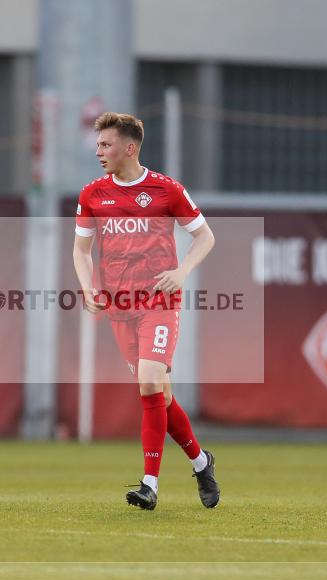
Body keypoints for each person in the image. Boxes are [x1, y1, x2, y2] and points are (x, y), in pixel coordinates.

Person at [72, 112, 220, 509]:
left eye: (106, 144)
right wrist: (89, 287)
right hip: (120, 310)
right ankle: (202, 462)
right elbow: (81, 250)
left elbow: (205, 236)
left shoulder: (166, 190)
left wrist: (181, 271)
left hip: (159, 301)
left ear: (129, 147)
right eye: (99, 144)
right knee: (160, 396)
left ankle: (150, 484)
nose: (99, 151)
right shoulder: (92, 194)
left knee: (150, 383)